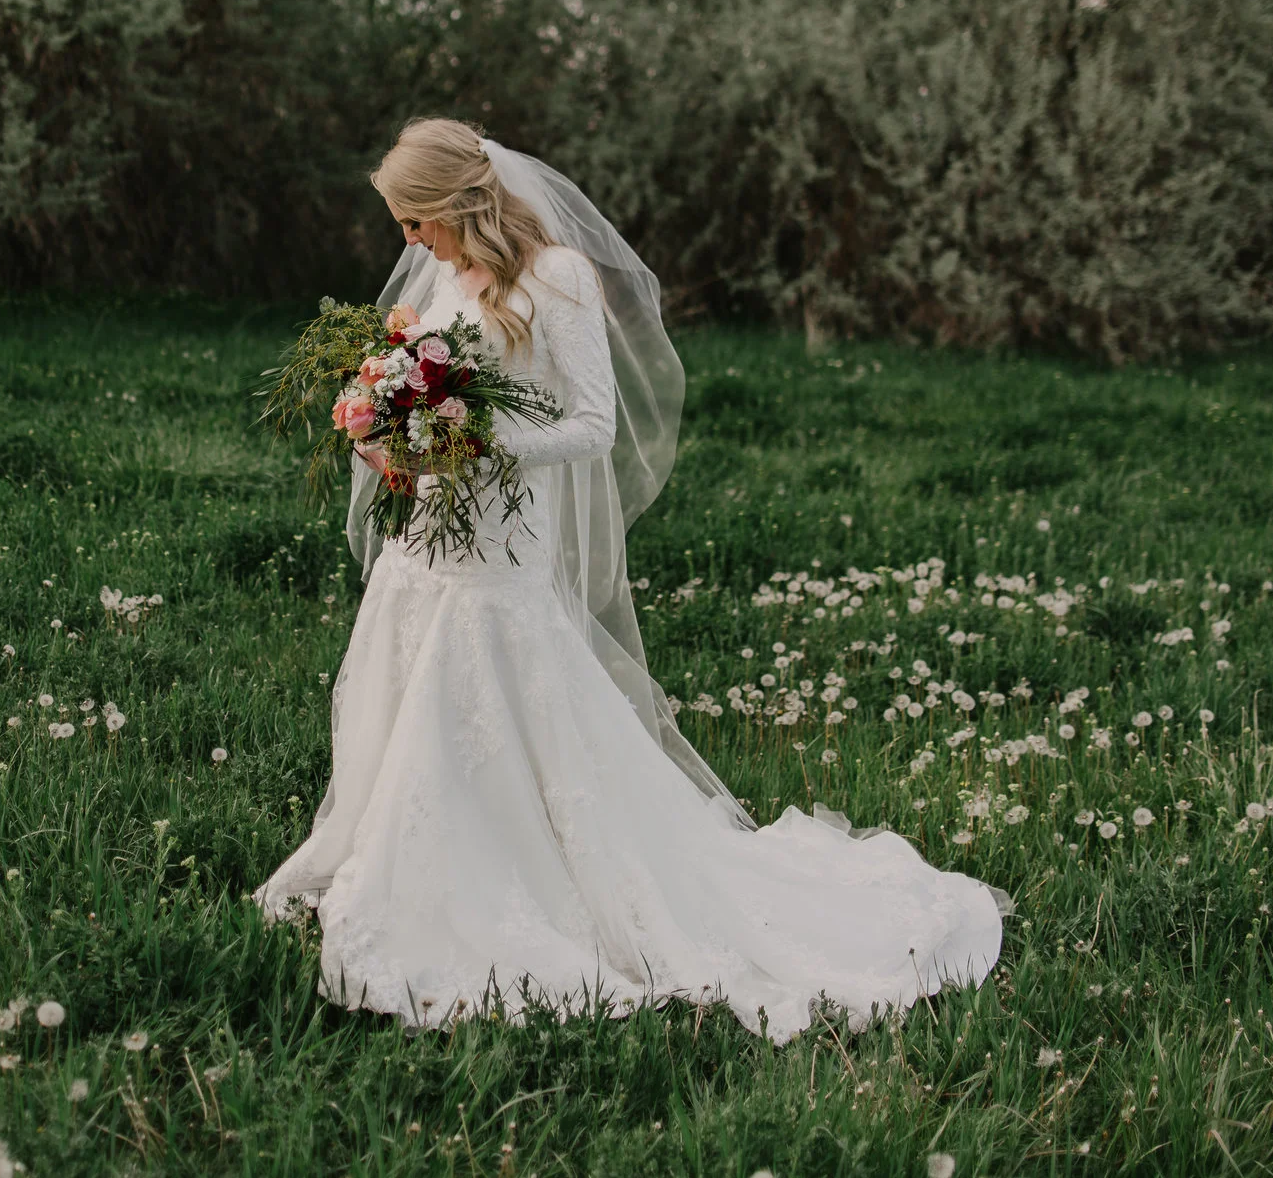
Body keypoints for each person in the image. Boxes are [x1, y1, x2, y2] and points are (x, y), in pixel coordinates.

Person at [254, 118, 1006, 1042]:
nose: (407, 242)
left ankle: (519, 883)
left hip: (500, 548)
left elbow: (592, 426)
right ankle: (401, 860)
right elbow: (423, 384)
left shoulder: (559, 279)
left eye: (416, 221)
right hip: (434, 541)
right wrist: (391, 433)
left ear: (459, 204)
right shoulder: (448, 278)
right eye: (402, 224)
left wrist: (477, 439)